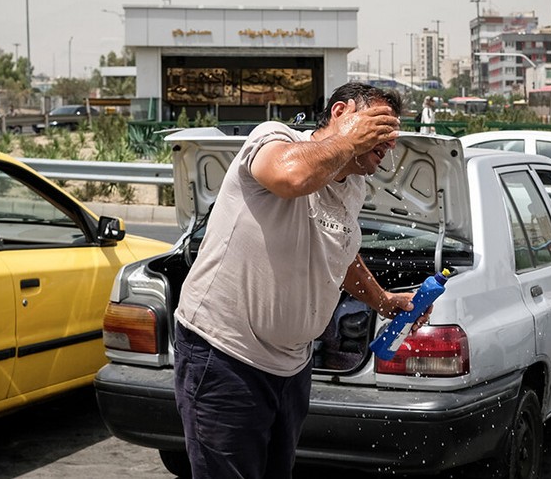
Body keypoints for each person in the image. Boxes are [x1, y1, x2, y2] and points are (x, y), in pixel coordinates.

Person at [173, 82, 425, 479]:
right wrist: (350, 140)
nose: (386, 140)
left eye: (391, 132)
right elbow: (292, 177)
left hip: (291, 365)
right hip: (224, 354)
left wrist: (382, 299)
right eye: (377, 125)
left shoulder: (353, 185)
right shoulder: (274, 139)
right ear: (340, 113)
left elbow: (338, 247)